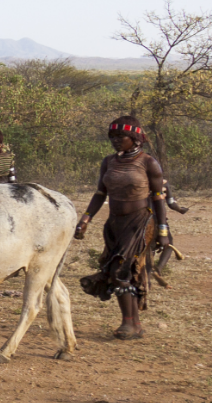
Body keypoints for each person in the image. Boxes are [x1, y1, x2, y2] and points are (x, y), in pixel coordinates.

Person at [76, 116, 171, 340]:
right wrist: (85, 219)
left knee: (122, 269)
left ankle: (128, 322)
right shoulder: (108, 162)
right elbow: (100, 194)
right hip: (114, 223)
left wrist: (163, 230)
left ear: (135, 138)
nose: (116, 141)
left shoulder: (148, 162)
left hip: (139, 222)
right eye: (112, 137)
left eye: (121, 137)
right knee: (116, 271)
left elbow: (158, 198)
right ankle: (134, 323)